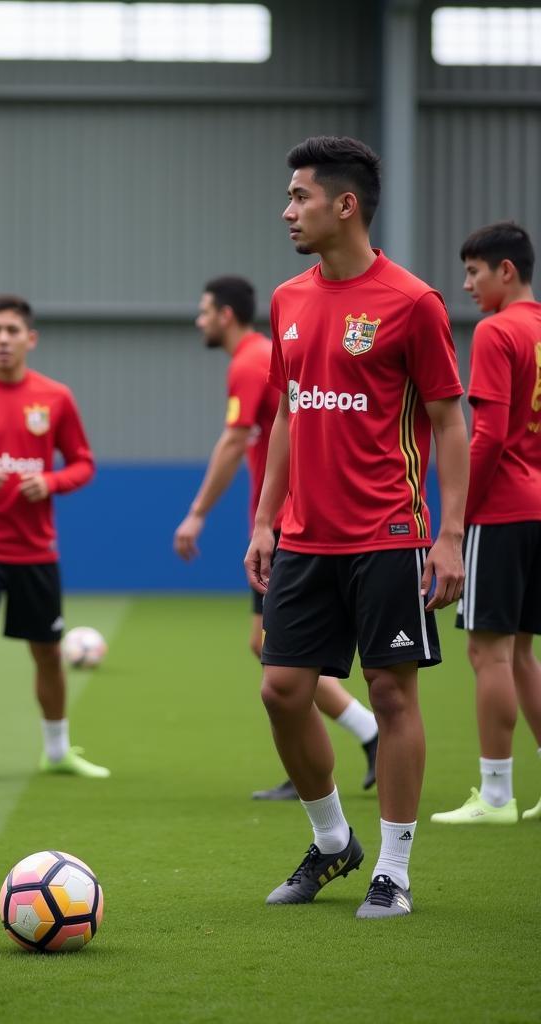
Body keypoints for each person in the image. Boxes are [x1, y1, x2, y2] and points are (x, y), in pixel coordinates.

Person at [244, 136, 468, 918]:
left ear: (346, 205)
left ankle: (395, 871)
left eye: (299, 196)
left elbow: (448, 421)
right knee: (281, 689)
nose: (287, 210)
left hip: (389, 535)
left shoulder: (413, 302)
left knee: (392, 694)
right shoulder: (287, 299)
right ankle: (336, 842)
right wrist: (266, 518)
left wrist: (448, 535)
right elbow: (284, 412)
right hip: (304, 538)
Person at [173, 276, 379, 799]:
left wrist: (196, 514)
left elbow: (232, 442)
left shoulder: (247, 363)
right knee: (268, 648)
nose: (198, 321)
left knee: (282, 656)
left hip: (294, 528)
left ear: (225, 315)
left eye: (203, 311)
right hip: (291, 523)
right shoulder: (261, 356)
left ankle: (349, 746)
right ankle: (352, 740)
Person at [0, 294, 107, 783]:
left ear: (30, 339)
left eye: (13, 331)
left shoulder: (55, 397)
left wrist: (50, 482)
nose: (3, 339)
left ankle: (56, 751)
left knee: (49, 653)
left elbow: (83, 463)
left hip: (36, 550)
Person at [431, 222, 541, 825]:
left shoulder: (498, 332)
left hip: (501, 512)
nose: (467, 283)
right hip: (539, 506)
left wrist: (458, 511)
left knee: (488, 652)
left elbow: (490, 432)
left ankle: (496, 795)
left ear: (506, 270)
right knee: (523, 652)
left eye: (475, 271)